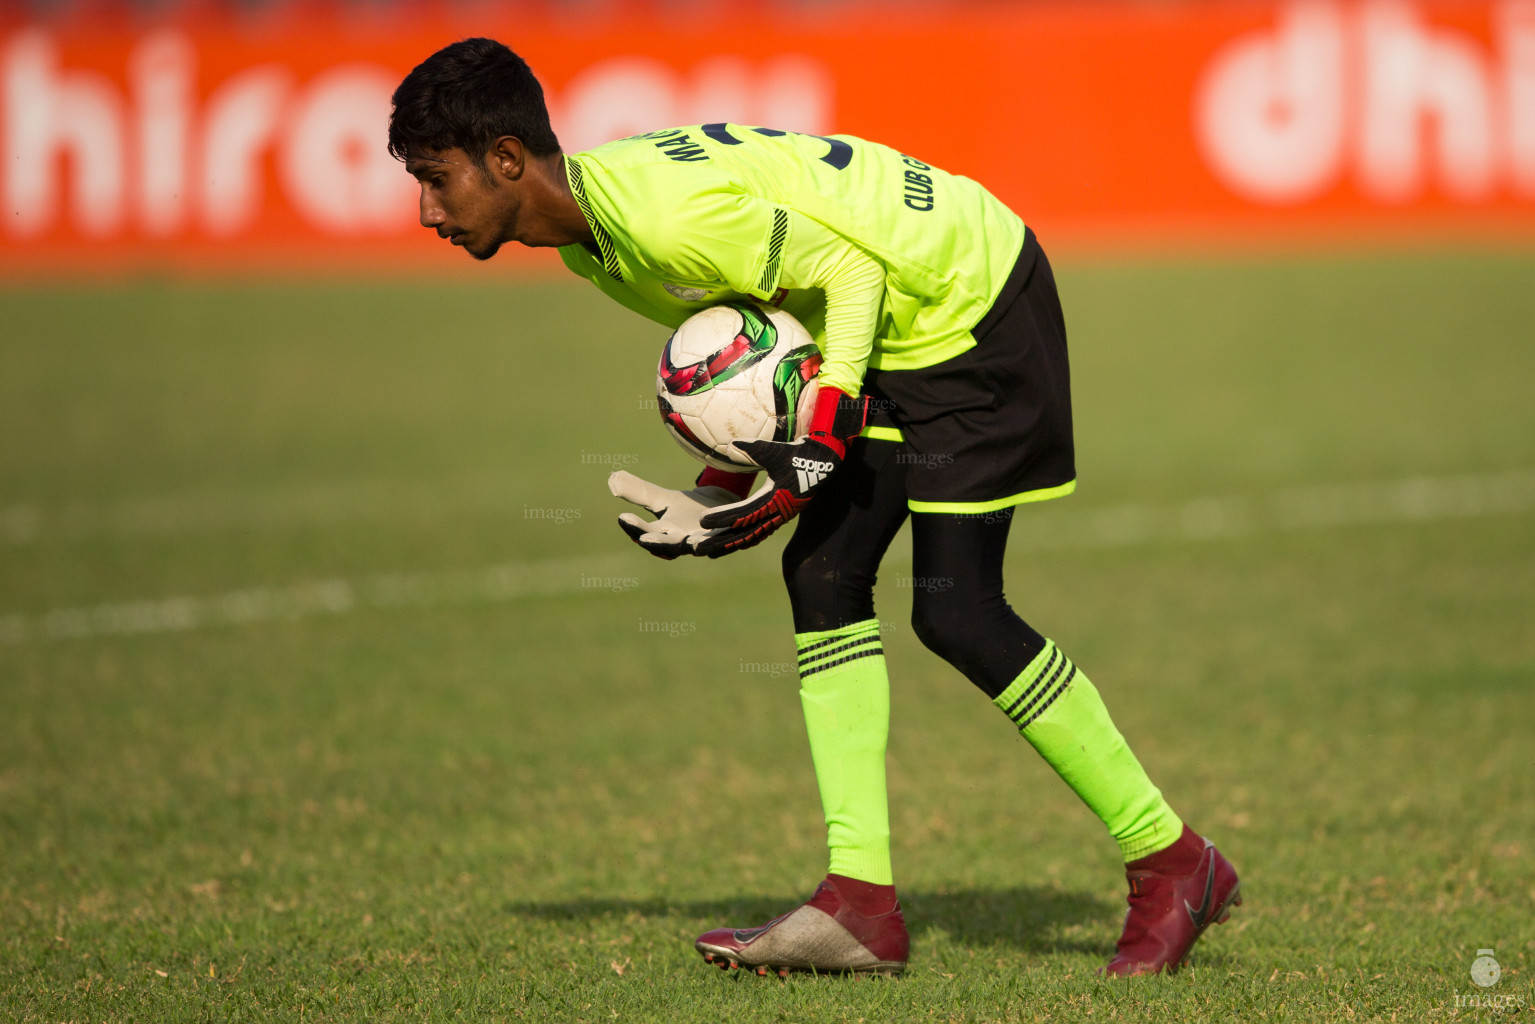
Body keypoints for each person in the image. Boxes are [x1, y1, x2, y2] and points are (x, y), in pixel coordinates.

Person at [388, 37, 1241, 978]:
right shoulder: (594, 249)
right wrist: (725, 486)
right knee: (823, 571)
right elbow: (766, 344)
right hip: (878, 323)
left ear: (505, 159)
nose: (426, 209)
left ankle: (1174, 860)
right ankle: (860, 906)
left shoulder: (657, 225)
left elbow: (851, 274)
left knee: (957, 610)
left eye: (436, 179)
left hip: (961, 293)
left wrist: (813, 445)